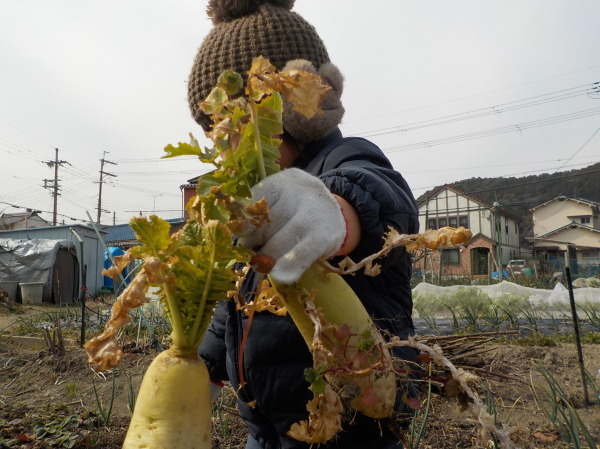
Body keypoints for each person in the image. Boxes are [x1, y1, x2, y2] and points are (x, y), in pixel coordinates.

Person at [188, 1, 420, 448]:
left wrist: (333, 212)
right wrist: (205, 362)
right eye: (210, 131)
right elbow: (235, 302)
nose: (220, 147)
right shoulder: (259, 218)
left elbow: (376, 198)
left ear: (293, 114)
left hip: (350, 421)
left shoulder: (346, 160)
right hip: (268, 426)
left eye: (229, 125)